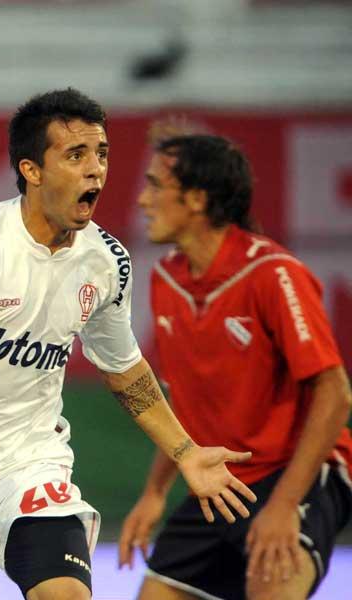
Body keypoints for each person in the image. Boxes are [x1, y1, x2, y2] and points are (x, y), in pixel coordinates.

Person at [0, 88, 257, 600]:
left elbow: (125, 369)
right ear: (32, 170)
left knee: (66, 594)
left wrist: (185, 452)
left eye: (102, 153)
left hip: (28, 463)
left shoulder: (106, 261)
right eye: (76, 155)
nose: (96, 170)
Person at [119, 133, 352, 600]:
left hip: (292, 476)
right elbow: (182, 402)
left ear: (197, 199)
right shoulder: (165, 278)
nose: (142, 199)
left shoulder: (273, 274)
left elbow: (335, 392)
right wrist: (155, 492)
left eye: (154, 185)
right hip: (221, 485)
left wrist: (285, 504)